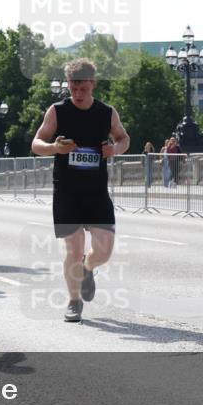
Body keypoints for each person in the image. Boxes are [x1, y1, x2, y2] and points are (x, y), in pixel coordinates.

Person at [31, 58, 130, 322]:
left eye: (82, 89)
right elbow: (36, 143)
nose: (77, 94)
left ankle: (88, 267)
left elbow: (124, 138)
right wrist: (55, 148)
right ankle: (74, 301)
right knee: (72, 250)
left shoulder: (106, 113)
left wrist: (115, 150)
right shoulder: (57, 111)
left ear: (93, 85)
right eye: (73, 88)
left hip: (96, 192)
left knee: (105, 251)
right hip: (67, 191)